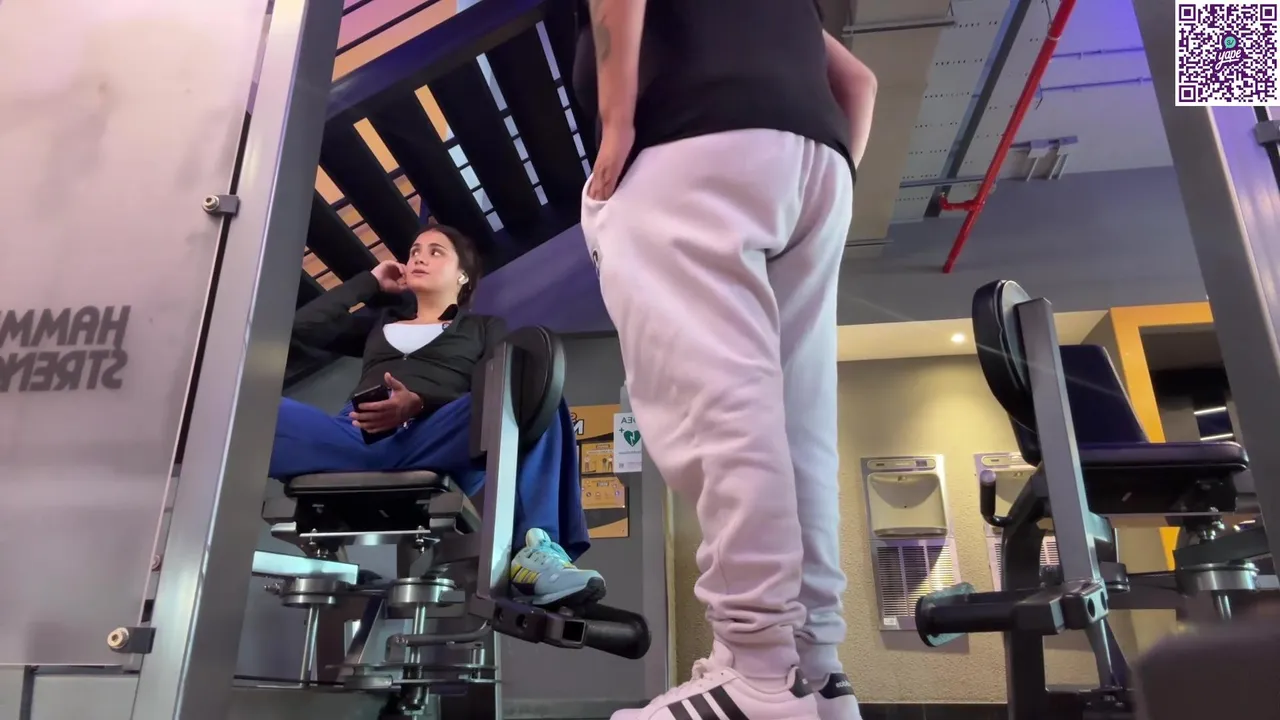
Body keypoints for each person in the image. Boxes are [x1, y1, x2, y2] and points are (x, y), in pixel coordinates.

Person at [575, 1, 877, 719]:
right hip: (818, 167)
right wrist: (831, 168)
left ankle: (759, 671)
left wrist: (616, 124)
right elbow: (859, 82)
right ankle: (816, 673)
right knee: (797, 425)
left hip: (690, 145)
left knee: (720, 409)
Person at [271, 222, 604, 609]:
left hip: (434, 436)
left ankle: (537, 553)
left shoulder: (482, 328)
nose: (418, 257)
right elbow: (299, 329)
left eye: (435, 251)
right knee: (259, 408)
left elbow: (488, 389)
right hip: (355, 435)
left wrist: (418, 403)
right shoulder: (381, 326)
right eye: (414, 251)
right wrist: (370, 282)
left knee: (531, 387)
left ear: (463, 275)